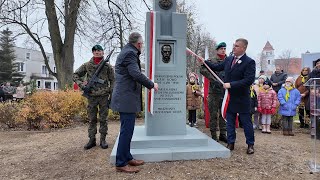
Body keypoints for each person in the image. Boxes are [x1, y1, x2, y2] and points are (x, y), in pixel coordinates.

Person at [110, 32, 159, 173]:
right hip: (126, 99)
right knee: (126, 131)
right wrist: (151, 84)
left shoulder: (128, 51)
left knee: (129, 129)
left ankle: (127, 157)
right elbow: (136, 74)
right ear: (138, 44)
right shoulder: (130, 54)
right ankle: (120, 162)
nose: (142, 46)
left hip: (126, 98)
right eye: (142, 44)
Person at [203, 38, 256, 154]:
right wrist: (205, 62)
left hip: (242, 98)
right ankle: (230, 142)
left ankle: (250, 144)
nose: (234, 48)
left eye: (237, 46)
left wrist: (231, 85)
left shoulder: (249, 62)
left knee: (246, 122)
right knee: (230, 122)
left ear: (244, 48)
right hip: (229, 98)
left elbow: (248, 80)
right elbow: (217, 67)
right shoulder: (229, 59)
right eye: (234, 45)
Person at [73, 44, 115, 150]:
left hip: (104, 96)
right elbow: (75, 75)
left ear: (103, 52)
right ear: (93, 53)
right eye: (95, 51)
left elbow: (113, 80)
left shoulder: (107, 66)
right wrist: (82, 85)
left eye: (99, 50)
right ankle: (91, 140)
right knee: (92, 119)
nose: (97, 52)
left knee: (103, 119)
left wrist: (111, 92)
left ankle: (103, 140)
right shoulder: (87, 65)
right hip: (91, 96)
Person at [200, 42, 227, 142]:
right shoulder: (211, 60)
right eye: (221, 49)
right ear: (217, 50)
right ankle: (214, 135)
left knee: (223, 114)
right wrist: (213, 79)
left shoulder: (228, 60)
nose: (223, 50)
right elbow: (202, 69)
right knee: (213, 114)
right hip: (214, 92)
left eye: (224, 48)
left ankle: (223, 134)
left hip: (225, 92)